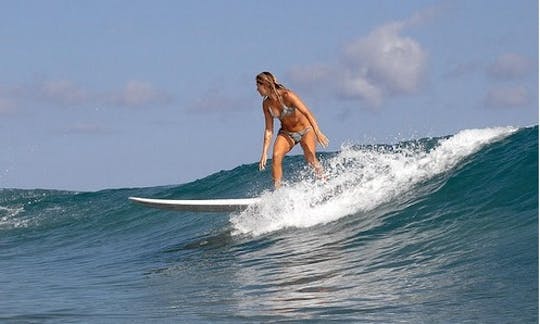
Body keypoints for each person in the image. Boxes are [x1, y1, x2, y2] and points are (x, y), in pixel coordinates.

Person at [256, 71, 329, 188]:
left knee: (310, 158)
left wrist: (318, 132)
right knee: (276, 156)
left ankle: (325, 183)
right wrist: (264, 153)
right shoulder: (266, 104)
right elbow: (269, 130)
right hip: (287, 133)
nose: (257, 89)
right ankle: (278, 191)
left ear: (265, 85)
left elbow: (307, 112)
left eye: (258, 86)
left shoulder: (287, 95)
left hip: (306, 130)